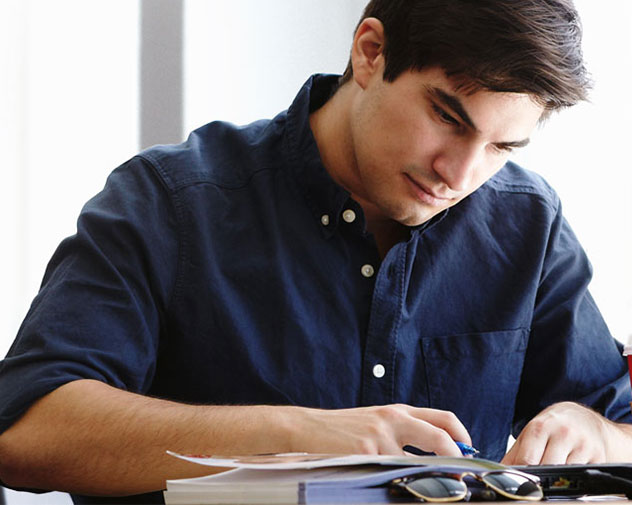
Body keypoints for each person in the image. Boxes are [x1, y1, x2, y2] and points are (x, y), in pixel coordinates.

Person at [1, 0, 631, 503]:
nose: (460, 174)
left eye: (502, 148)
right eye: (448, 117)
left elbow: (621, 426)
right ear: (370, 52)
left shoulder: (528, 222)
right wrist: (295, 435)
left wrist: (598, 434)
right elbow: (25, 431)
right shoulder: (170, 201)